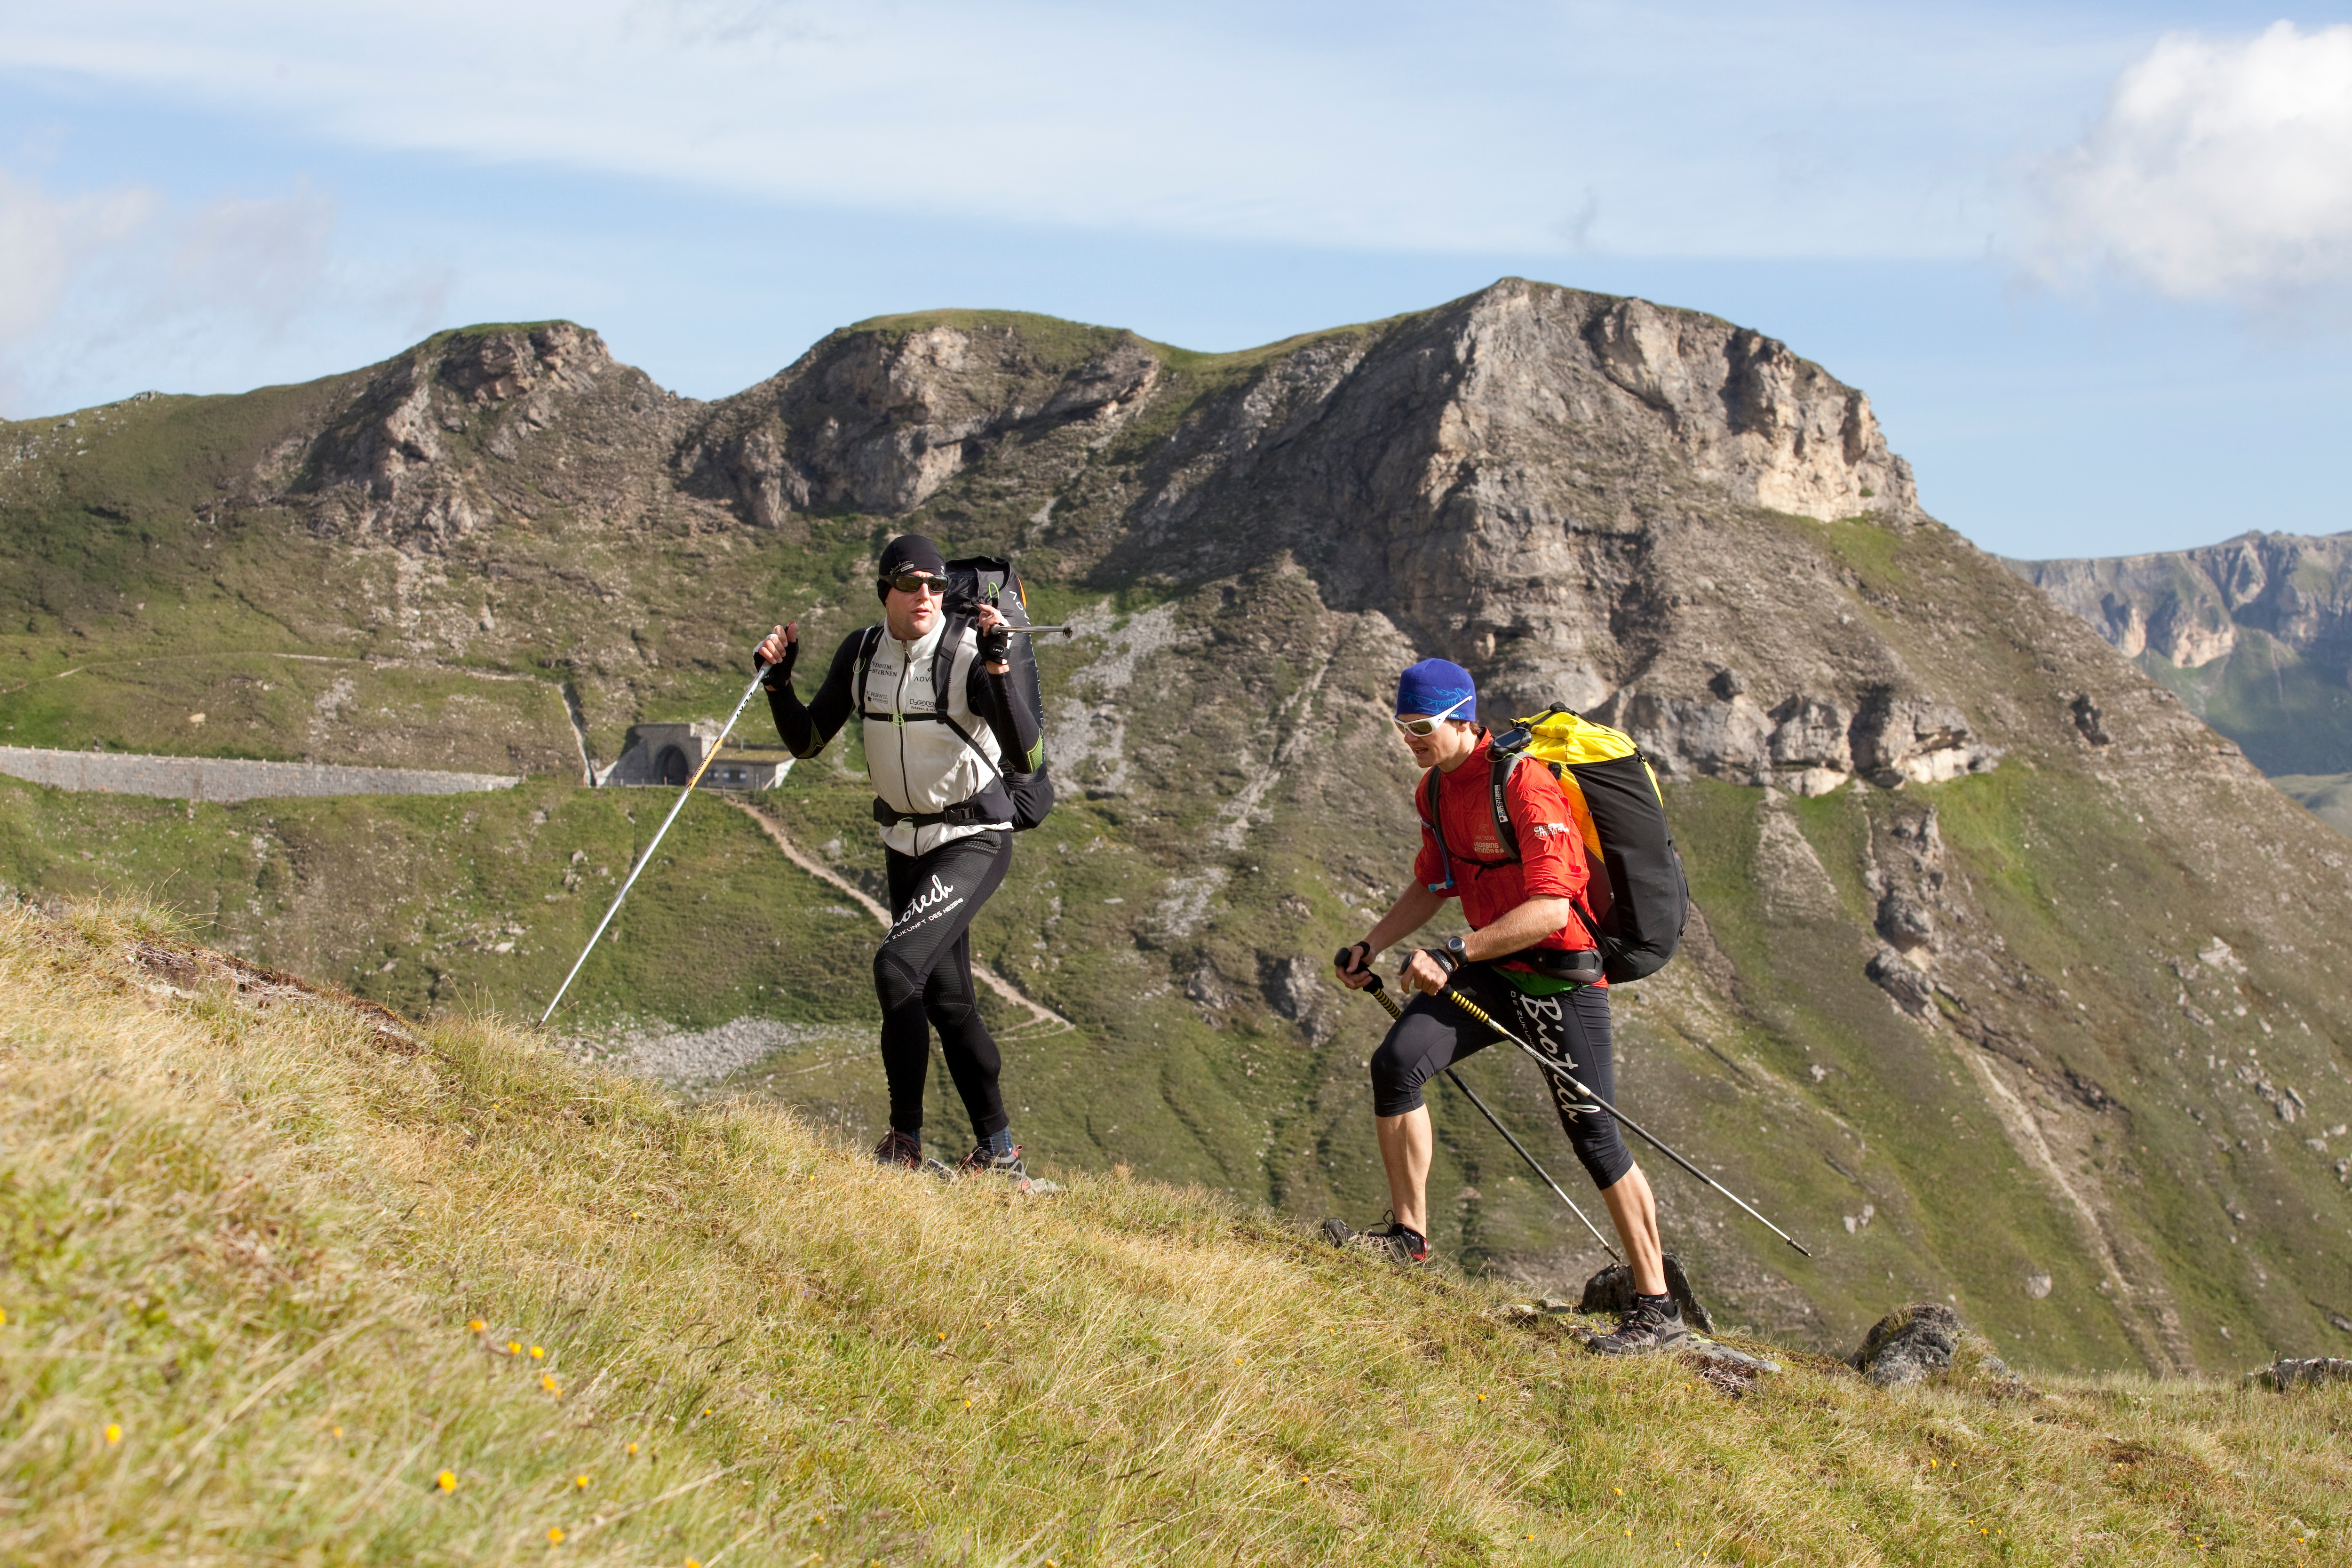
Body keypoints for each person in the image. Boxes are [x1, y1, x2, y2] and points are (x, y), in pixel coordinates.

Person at [1327, 658, 1687, 1354]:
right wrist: (1370, 943)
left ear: (1463, 718)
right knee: (1397, 1062)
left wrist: (1456, 953)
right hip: (1496, 969)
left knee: (1595, 1138)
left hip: (1561, 978)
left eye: (1422, 727)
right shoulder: (1433, 793)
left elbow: (1553, 909)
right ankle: (1408, 1239)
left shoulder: (1524, 787)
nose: (1410, 739)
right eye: (1401, 726)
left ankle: (1658, 1308)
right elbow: (1433, 884)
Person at [753, 534, 1044, 1180]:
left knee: (895, 968)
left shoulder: (968, 652)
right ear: (884, 588)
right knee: (947, 999)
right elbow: (807, 741)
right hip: (903, 844)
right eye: (912, 584)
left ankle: (904, 1145)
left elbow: (1029, 758)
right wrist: (778, 683)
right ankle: (999, 1154)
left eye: (937, 586)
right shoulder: (862, 653)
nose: (926, 596)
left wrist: (998, 671)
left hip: (973, 837)